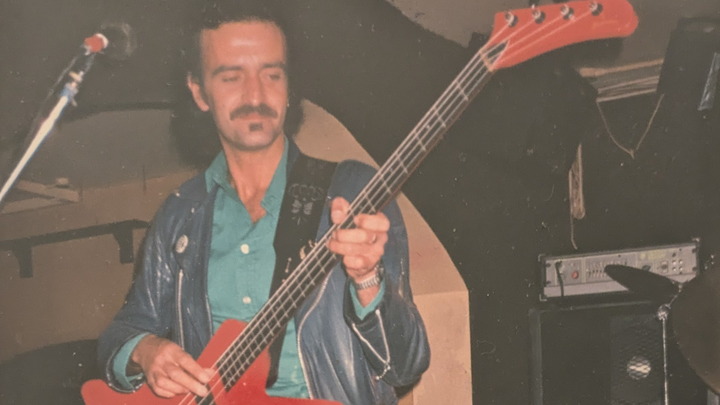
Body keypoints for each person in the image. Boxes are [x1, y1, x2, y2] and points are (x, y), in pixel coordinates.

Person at [96, 1, 430, 405]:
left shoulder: (354, 189)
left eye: (272, 74)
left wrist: (367, 280)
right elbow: (121, 332)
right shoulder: (180, 213)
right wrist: (146, 351)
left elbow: (405, 367)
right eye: (231, 77)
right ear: (199, 92)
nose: (255, 94)